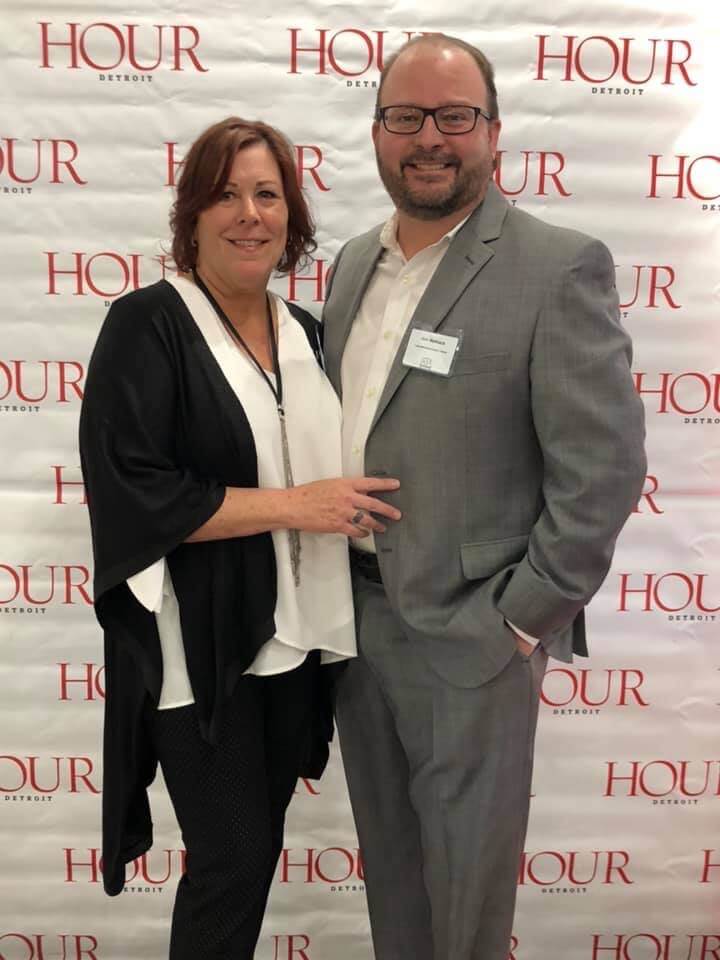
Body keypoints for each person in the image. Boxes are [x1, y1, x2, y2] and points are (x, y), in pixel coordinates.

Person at [322, 34, 647, 960]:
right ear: (377, 132)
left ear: (494, 134)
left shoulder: (557, 265)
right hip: (353, 630)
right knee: (395, 884)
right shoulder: (352, 264)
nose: (430, 138)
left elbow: (605, 470)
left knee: (467, 908)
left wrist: (517, 623)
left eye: (454, 116)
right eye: (405, 117)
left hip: (472, 640)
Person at [78, 116, 400, 960]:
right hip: (200, 651)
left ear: (292, 217)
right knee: (232, 858)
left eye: (267, 194)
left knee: (250, 863)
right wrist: (295, 505)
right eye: (226, 194)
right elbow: (138, 494)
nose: (249, 214)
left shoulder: (308, 332)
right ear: (190, 216)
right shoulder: (147, 325)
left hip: (297, 642)